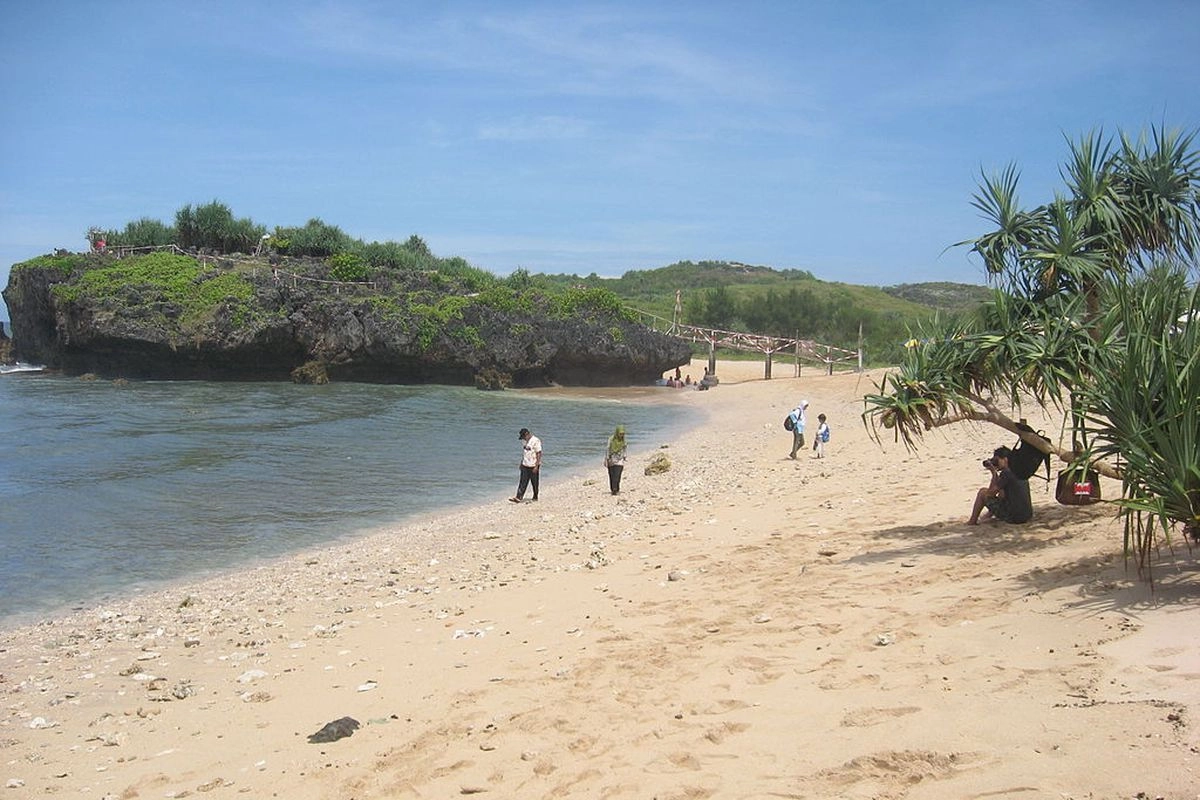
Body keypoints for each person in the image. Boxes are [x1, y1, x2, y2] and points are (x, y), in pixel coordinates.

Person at [968, 446, 1033, 525]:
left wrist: (994, 474)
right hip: (1027, 515)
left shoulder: (1006, 473)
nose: (996, 463)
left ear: (1005, 459)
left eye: (997, 460)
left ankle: (972, 521)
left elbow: (990, 493)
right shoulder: (1019, 470)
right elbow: (1002, 494)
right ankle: (988, 515)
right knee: (1002, 492)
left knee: (982, 492)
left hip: (1014, 518)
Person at [510, 428, 542, 503]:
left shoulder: (536, 441)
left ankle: (535, 496)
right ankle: (519, 497)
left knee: (534, 482)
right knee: (522, 481)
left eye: (524, 437)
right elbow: (525, 453)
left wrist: (536, 466)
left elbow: (539, 453)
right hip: (525, 464)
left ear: (527, 434)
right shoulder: (524, 441)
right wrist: (521, 463)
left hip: (533, 465)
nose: (524, 439)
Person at [604, 425, 627, 495]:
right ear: (617, 432)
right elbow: (608, 449)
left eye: (623, 434)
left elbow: (624, 449)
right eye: (620, 434)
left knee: (617, 475)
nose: (621, 435)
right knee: (611, 475)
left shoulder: (624, 441)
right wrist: (606, 459)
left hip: (620, 460)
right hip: (611, 459)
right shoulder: (611, 439)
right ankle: (613, 489)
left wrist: (625, 456)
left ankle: (616, 489)